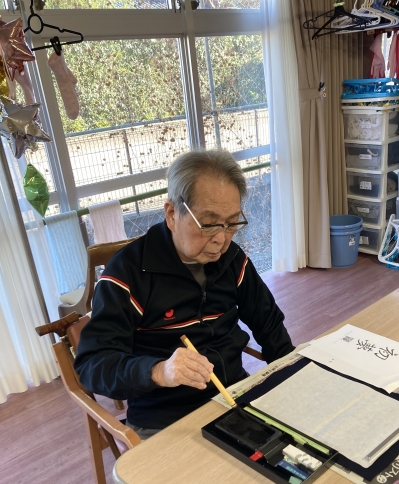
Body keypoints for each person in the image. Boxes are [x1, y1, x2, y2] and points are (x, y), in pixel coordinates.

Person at [74, 148, 294, 438]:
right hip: (163, 417)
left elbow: (268, 323)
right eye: (209, 223)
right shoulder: (128, 273)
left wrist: (293, 374)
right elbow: (92, 365)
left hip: (232, 396)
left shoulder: (232, 260)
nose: (221, 238)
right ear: (172, 214)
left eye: (231, 223)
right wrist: (158, 371)